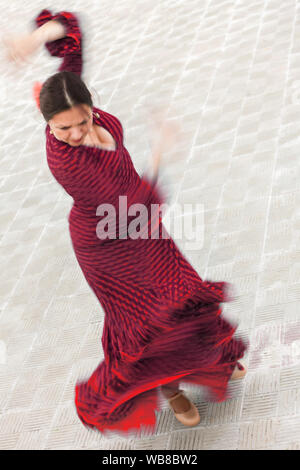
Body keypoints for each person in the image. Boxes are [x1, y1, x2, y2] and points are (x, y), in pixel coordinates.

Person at [3, 9, 249, 436]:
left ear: (89, 102)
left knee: (181, 292)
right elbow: (136, 202)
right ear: (47, 122)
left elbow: (72, 33)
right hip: (108, 239)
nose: (77, 132)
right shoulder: (67, 162)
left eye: (83, 120)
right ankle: (171, 391)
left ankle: (210, 357)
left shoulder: (68, 94)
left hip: (141, 228)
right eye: (63, 128)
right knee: (144, 319)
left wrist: (37, 35)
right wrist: (159, 153)